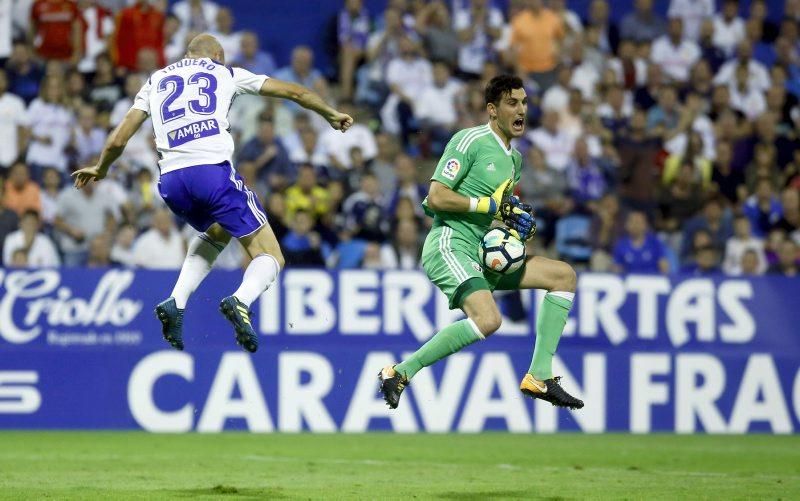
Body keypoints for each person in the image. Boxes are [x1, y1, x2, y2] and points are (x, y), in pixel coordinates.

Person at [72, 34, 353, 353]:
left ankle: (176, 301)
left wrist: (101, 167)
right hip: (211, 174)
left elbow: (118, 139)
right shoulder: (226, 72)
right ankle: (241, 301)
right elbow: (294, 91)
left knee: (218, 230)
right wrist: (330, 113)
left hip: (171, 183)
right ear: (217, 54)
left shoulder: (156, 80)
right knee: (271, 256)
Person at [378, 75, 583, 411]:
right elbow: (435, 197)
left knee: (563, 276)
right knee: (488, 319)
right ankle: (400, 372)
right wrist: (488, 206)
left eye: (525, 102)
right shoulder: (469, 140)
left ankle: (539, 375)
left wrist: (513, 222)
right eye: (512, 103)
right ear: (492, 110)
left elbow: (496, 211)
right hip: (451, 243)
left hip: (484, 251)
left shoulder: (514, 160)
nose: (521, 110)